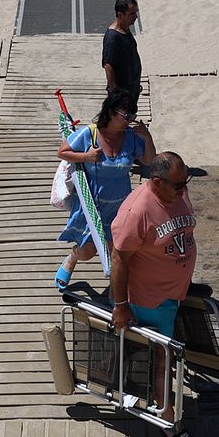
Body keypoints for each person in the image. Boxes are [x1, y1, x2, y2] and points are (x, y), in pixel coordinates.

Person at [110, 151, 197, 437]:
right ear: (157, 182)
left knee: (156, 353)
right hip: (149, 298)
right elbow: (119, 259)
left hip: (174, 294)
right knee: (162, 357)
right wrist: (121, 306)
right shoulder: (136, 212)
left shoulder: (176, 193)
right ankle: (166, 418)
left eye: (186, 183)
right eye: (178, 186)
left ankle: (126, 382)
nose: (184, 190)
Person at [54, 88, 155, 288]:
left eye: (132, 115)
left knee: (116, 252)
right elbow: (63, 152)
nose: (129, 119)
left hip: (121, 207)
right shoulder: (89, 133)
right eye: (125, 114)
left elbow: (149, 161)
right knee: (88, 251)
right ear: (111, 112)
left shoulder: (131, 137)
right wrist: (86, 157)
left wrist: (147, 136)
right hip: (92, 205)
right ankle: (73, 258)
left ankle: (116, 295)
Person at [101, 0, 141, 98]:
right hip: (122, 94)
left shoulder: (125, 29)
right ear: (120, 15)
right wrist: (115, 94)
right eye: (131, 14)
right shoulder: (112, 37)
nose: (135, 17)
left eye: (135, 13)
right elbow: (108, 65)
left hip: (131, 90)